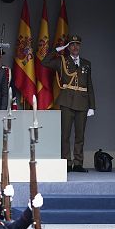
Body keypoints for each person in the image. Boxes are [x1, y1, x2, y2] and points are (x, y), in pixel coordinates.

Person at [42, 35, 96, 172]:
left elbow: (89, 85)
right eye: (72, 45)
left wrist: (92, 106)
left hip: (83, 103)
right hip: (66, 101)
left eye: (77, 44)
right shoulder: (62, 61)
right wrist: (57, 50)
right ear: (68, 47)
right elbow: (44, 62)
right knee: (65, 135)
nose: (75, 47)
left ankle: (78, 163)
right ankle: (66, 163)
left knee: (80, 135)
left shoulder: (86, 63)